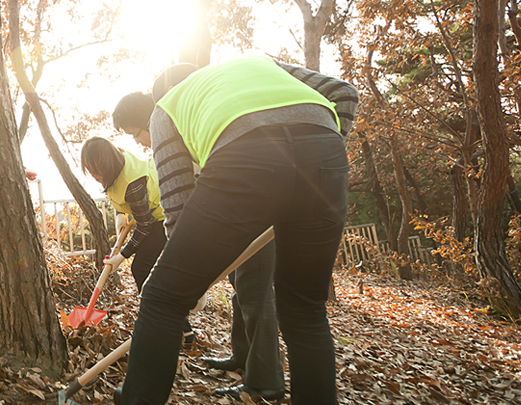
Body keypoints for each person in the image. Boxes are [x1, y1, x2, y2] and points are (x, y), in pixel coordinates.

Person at [115, 56, 358, 405]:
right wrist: (318, 159)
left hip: (246, 153)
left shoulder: (166, 109)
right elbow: (345, 93)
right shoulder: (258, 62)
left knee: (163, 298)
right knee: (304, 309)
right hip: (324, 152)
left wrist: (188, 284)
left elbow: (178, 209)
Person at [114, 71, 285, 399]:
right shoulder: (181, 129)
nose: (136, 142)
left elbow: (179, 210)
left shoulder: (178, 128)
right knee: (242, 289)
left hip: (253, 210)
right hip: (235, 217)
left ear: (149, 118)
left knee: (254, 292)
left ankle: (267, 382)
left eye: (135, 134)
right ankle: (242, 356)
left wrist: (187, 273)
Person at [80, 137, 197, 342]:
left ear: (108, 164)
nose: (94, 175)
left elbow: (144, 225)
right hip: (149, 217)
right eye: (90, 169)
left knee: (141, 269)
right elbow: (117, 193)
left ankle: (170, 323)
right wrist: (119, 216)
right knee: (145, 270)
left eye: (97, 170)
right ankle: (182, 329)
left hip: (163, 218)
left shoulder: (133, 183)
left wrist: (122, 255)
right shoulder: (116, 164)